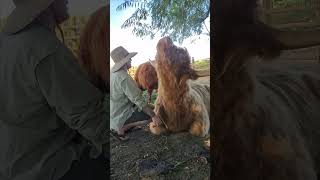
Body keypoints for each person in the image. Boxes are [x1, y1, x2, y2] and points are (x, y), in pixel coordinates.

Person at [0, 0, 108, 180]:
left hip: (12, 164)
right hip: (49, 165)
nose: (66, 1)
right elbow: (88, 116)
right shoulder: (44, 48)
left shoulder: (5, 42)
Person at [110, 46, 162, 140]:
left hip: (113, 114)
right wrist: (154, 116)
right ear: (124, 62)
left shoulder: (112, 75)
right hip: (121, 115)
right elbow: (139, 101)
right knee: (150, 115)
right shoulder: (124, 77)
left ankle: (123, 126)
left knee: (150, 108)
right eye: (129, 58)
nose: (131, 59)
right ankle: (120, 129)